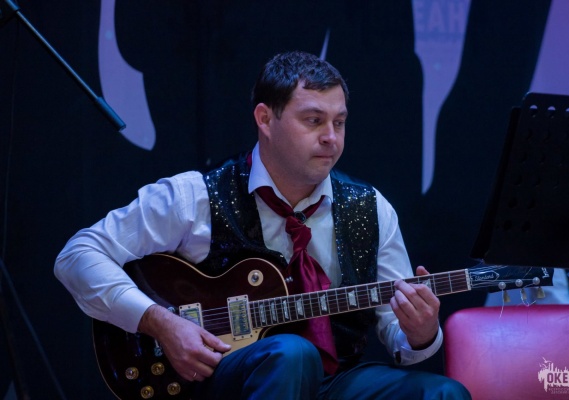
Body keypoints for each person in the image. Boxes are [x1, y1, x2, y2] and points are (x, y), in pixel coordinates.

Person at [55, 50, 471, 399]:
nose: (331, 137)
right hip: (217, 380)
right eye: (314, 120)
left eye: (339, 122)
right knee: (291, 355)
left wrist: (420, 332)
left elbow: (401, 337)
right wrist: (159, 322)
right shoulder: (194, 197)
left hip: (333, 383)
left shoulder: (370, 208)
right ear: (265, 119)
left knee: (444, 394)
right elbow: (78, 254)